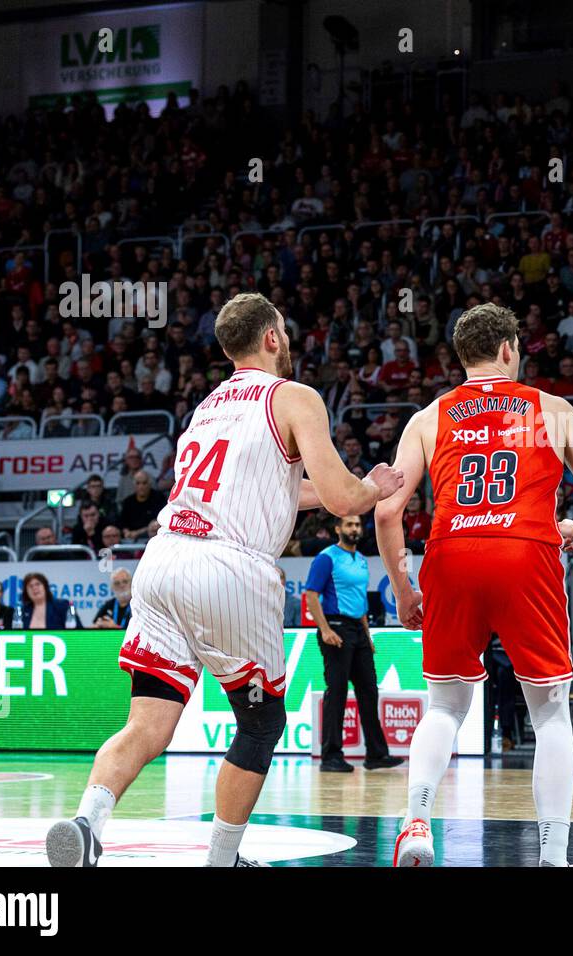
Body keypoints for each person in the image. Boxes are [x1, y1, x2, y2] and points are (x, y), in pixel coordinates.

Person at [47, 291, 404, 868]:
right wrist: (375, 486)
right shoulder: (295, 397)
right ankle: (222, 861)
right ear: (270, 337)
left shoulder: (208, 406)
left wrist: (352, 486)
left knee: (146, 722)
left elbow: (281, 490)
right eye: (284, 332)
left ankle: (87, 822)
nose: (288, 341)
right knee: (261, 721)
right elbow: (342, 497)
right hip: (231, 570)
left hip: (162, 563)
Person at [374, 301, 573, 868]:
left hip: (451, 553)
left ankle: (416, 821)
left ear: (462, 357)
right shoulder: (553, 409)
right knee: (550, 712)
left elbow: (388, 513)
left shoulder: (428, 417)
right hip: (526, 554)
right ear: (510, 350)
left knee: (444, 706)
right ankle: (553, 857)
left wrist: (404, 588)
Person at [303, 514, 402, 773]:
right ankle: (331, 756)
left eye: (357, 524)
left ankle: (376, 754)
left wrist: (367, 637)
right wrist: (324, 629)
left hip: (358, 630)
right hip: (336, 628)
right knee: (336, 693)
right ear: (338, 529)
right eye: (349, 524)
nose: (354, 528)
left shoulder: (361, 561)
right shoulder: (327, 557)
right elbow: (311, 595)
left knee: (369, 690)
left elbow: (360, 603)